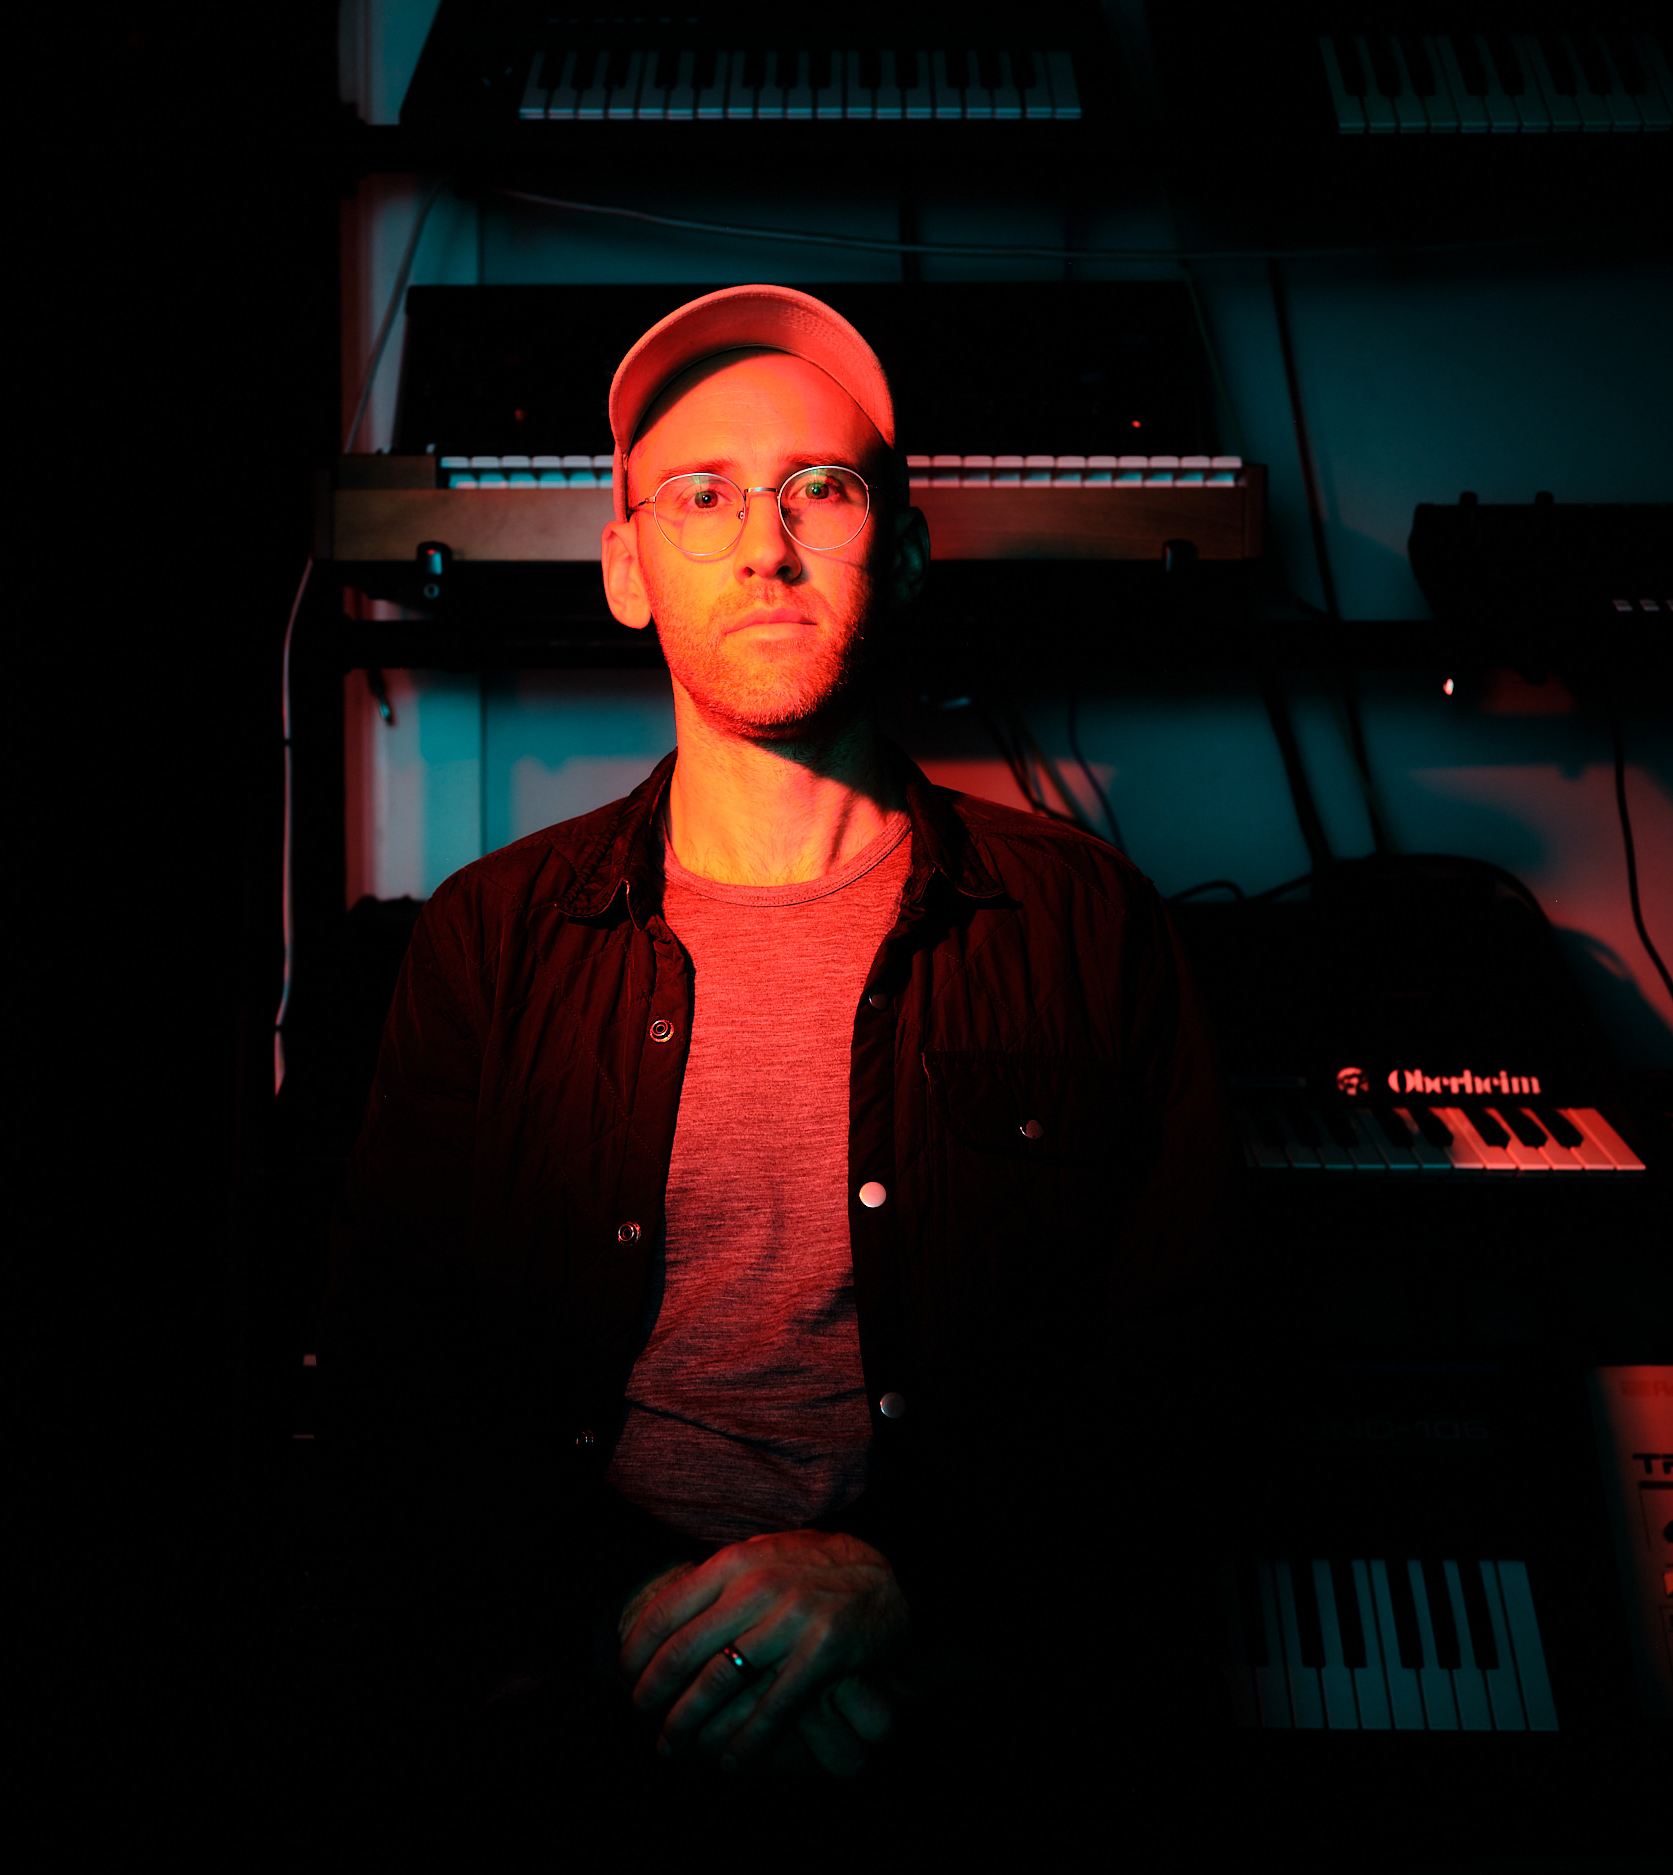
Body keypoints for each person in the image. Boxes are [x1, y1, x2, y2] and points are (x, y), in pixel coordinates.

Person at [342, 285, 1226, 1811]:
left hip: (962, 1711)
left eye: (821, 486)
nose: (766, 541)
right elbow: (407, 1383)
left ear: (909, 547)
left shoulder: (1091, 924)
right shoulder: (490, 939)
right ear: (627, 569)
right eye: (704, 496)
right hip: (588, 1703)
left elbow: (1183, 1373)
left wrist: (908, 1588)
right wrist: (628, 1628)